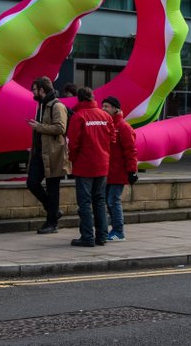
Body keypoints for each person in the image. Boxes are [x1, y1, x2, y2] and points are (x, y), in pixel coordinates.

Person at [66, 86, 113, 247]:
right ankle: (102, 236)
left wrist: (72, 161)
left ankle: (87, 237)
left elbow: (73, 144)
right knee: (99, 201)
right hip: (102, 164)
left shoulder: (78, 117)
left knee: (85, 203)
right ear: (92, 97)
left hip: (84, 166)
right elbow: (112, 138)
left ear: (78, 99)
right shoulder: (105, 116)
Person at [26, 76, 69, 234]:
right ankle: (53, 210)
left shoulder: (57, 106)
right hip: (39, 153)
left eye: (35, 90)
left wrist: (39, 127)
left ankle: (52, 223)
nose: (33, 93)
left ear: (42, 90)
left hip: (53, 153)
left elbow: (60, 128)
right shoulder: (41, 105)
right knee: (32, 182)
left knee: (53, 188)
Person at [102, 96, 138, 241]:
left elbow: (131, 151)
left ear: (115, 108)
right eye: (103, 106)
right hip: (107, 171)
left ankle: (118, 231)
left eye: (107, 106)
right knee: (107, 201)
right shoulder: (106, 125)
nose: (104, 109)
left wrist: (132, 171)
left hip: (119, 172)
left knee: (113, 201)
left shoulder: (123, 127)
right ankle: (114, 229)